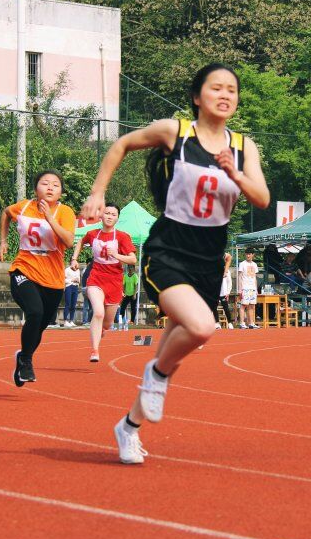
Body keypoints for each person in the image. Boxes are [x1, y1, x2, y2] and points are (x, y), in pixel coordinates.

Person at [80, 63, 270, 463]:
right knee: (201, 328)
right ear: (197, 96)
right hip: (169, 248)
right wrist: (98, 192)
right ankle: (156, 375)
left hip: (210, 256)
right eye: (215, 88)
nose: (225, 95)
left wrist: (235, 173)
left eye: (232, 90)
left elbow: (262, 198)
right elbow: (121, 145)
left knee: (173, 347)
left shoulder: (242, 147)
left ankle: (128, 427)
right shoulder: (175, 132)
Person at [0, 170, 76, 386]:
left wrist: (50, 218)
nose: (50, 187)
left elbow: (69, 241)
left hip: (52, 278)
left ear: (61, 192)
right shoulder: (23, 207)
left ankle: (23, 355)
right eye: (45, 183)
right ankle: (26, 361)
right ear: (36, 189)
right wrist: (3, 241)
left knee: (39, 327)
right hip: (23, 269)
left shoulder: (65, 212)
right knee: (35, 311)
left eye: (56, 185)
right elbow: (6, 213)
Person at [72, 203, 136, 361]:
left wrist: (117, 255)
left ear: (117, 218)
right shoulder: (92, 234)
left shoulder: (122, 237)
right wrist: (74, 258)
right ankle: (94, 350)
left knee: (107, 323)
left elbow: (133, 259)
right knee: (98, 312)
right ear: (101, 215)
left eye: (113, 214)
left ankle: (101, 330)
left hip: (114, 281)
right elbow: (80, 242)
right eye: (107, 213)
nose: (109, 216)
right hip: (96, 277)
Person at [238, 249, 260, 329]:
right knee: (243, 305)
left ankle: (251, 323)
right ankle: (242, 323)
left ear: (253, 255)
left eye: (249, 254)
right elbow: (239, 277)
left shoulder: (254, 264)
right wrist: (240, 289)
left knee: (252, 305)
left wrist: (256, 289)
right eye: (246, 254)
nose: (248, 255)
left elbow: (255, 277)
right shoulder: (242, 264)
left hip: (253, 288)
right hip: (245, 287)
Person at [116, 265, 140, 331]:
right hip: (126, 294)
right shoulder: (125, 276)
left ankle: (132, 321)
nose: (130, 269)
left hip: (133, 294)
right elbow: (124, 285)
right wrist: (123, 292)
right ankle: (121, 321)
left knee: (133, 308)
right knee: (122, 308)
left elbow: (136, 286)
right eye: (129, 267)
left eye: (131, 268)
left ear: (134, 269)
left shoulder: (135, 276)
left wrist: (134, 294)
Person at [217, 252, 234, 330]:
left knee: (226, 308)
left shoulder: (226, 270)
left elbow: (229, 282)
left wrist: (228, 292)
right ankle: (217, 323)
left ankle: (230, 323)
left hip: (223, 292)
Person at [63, 260, 81, 327]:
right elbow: (63, 279)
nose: (76, 263)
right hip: (69, 287)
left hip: (75, 287)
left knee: (73, 305)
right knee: (68, 304)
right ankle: (65, 321)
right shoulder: (67, 270)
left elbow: (79, 279)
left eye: (77, 262)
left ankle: (71, 320)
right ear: (71, 262)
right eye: (75, 262)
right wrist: (71, 280)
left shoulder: (78, 270)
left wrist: (78, 280)